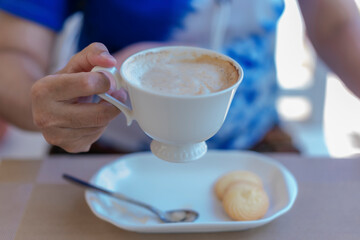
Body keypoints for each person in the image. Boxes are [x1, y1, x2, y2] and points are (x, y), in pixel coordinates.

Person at [0, 0, 358, 155]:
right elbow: (13, 53)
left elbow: (337, 23)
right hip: (103, 148)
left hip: (256, 142)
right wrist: (43, 102)